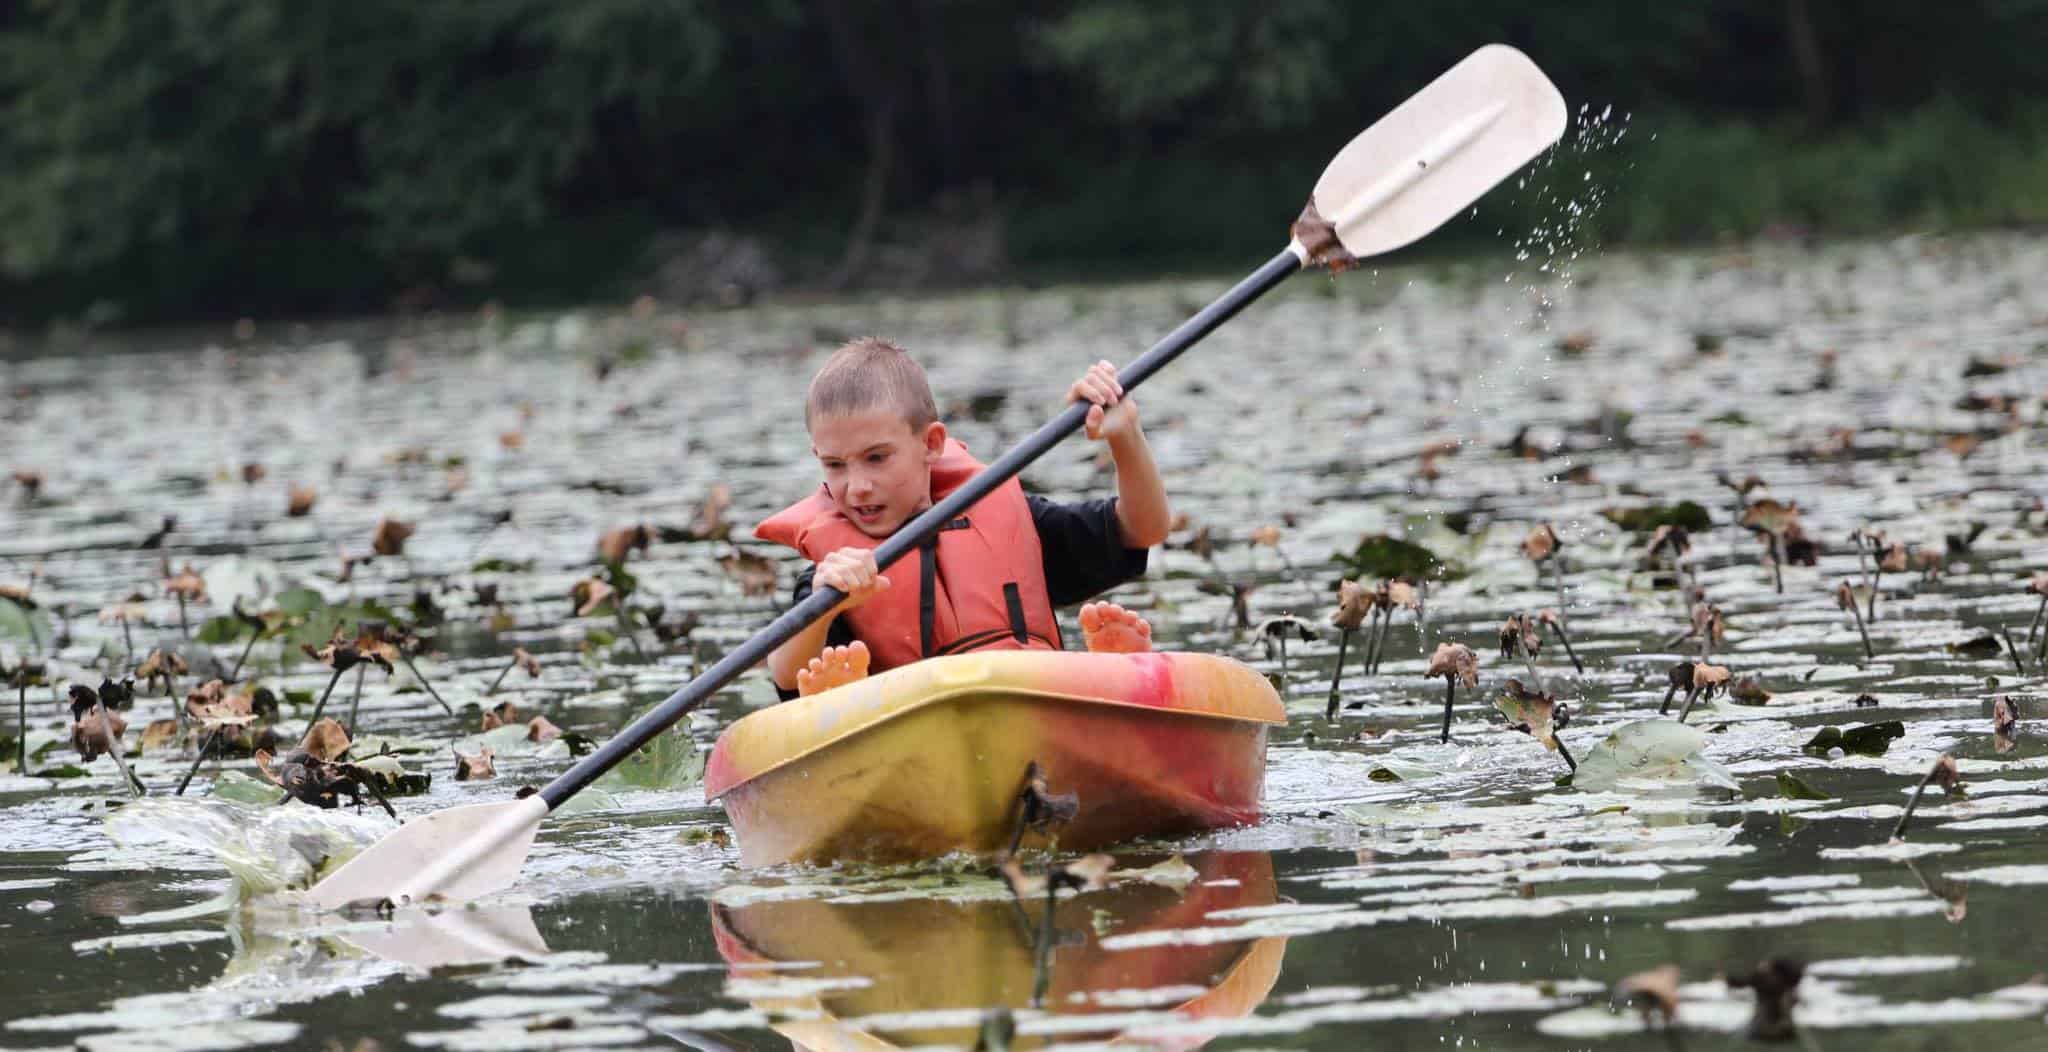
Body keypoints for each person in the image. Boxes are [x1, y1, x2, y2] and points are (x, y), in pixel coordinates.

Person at [761, 337, 1169, 698]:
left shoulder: (1010, 519)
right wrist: (822, 609)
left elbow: (1143, 528)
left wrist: (1125, 436)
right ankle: (838, 699)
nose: (857, 487)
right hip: (917, 731)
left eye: (877, 458)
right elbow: (784, 674)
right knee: (818, 674)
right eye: (835, 465)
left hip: (1032, 704)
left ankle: (1112, 681)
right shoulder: (837, 573)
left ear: (932, 443)